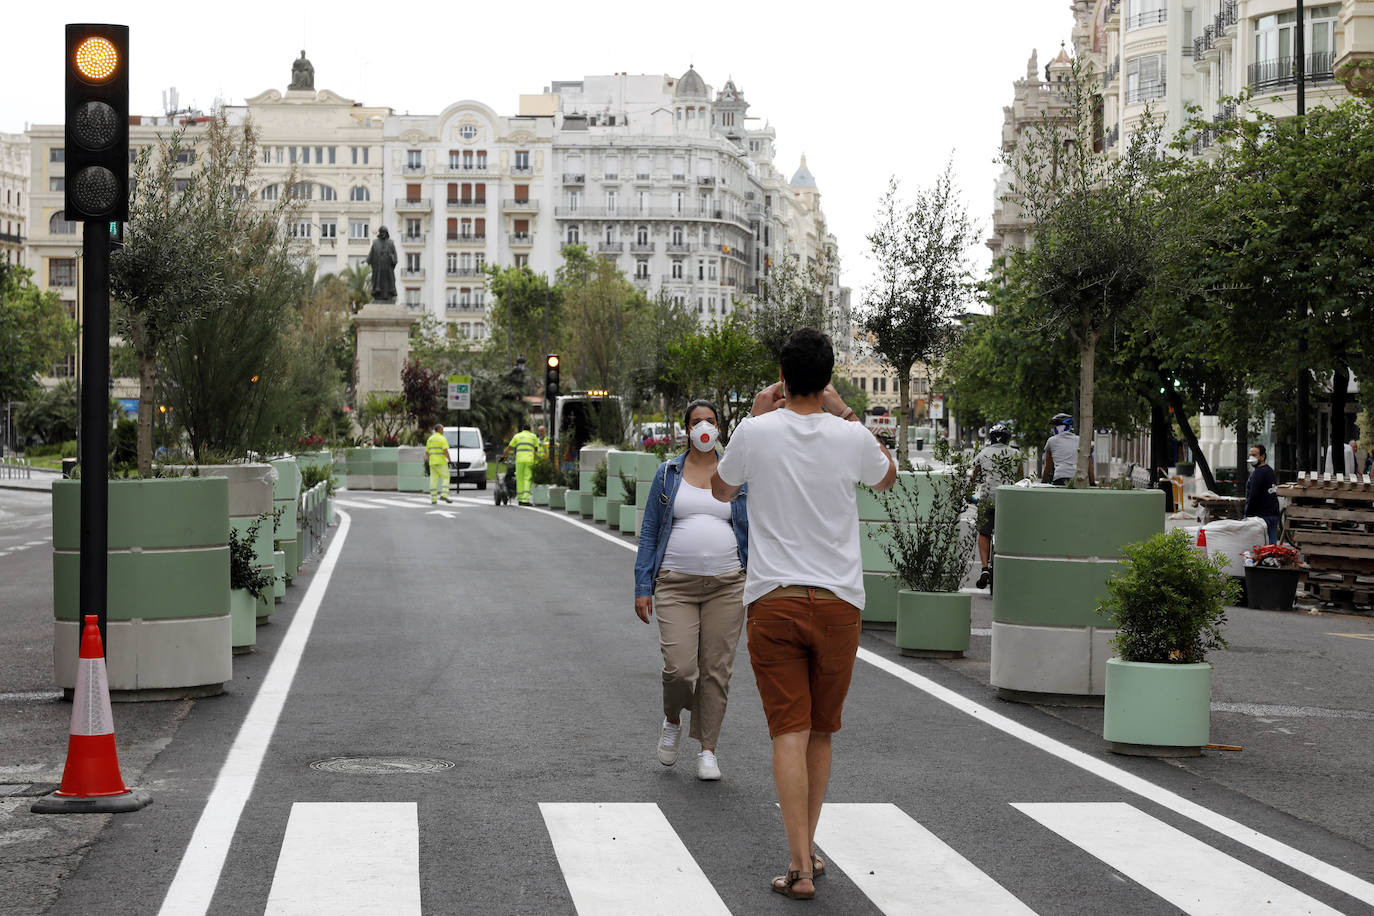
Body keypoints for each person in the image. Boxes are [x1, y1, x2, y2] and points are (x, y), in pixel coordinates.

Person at [711, 327, 896, 901]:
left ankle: (797, 865)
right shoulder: (849, 437)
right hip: (839, 602)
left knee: (787, 733)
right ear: (829, 377)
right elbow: (887, 476)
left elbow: (720, 489)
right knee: (820, 732)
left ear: (784, 378)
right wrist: (847, 412)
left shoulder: (756, 431)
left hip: (775, 600)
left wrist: (753, 412)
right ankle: (807, 853)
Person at [633, 399, 749, 782]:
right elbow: (650, 530)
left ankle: (707, 750)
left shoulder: (738, 475)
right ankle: (672, 720)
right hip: (676, 585)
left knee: (716, 670)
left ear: (720, 428)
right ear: (687, 430)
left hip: (727, 584)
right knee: (680, 669)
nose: (704, 428)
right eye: (697, 422)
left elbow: (757, 527)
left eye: (710, 421)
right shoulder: (668, 474)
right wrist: (642, 585)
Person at [972, 423, 1019, 589]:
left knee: (984, 533)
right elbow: (1021, 480)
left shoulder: (983, 453)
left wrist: (968, 495)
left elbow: (974, 478)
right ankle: (1008, 565)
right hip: (1008, 500)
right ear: (1008, 438)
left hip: (987, 500)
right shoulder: (1016, 454)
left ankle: (985, 568)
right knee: (1008, 533)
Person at [1041, 412, 1094, 486]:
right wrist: (1093, 483)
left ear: (1059, 427)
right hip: (1078, 478)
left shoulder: (1051, 440)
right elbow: (1089, 466)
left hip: (1060, 478)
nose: (1053, 429)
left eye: (1054, 427)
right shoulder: (1080, 440)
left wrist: (1043, 483)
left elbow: (1048, 467)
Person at [1245, 443, 1280, 545]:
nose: (1251, 457)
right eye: (1250, 454)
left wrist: (1248, 514)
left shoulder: (1258, 473)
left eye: (1254, 455)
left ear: (1262, 456)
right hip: (1273, 514)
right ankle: (1272, 560)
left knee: (1258, 546)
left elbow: (1253, 495)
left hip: (1261, 516)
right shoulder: (1270, 471)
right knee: (1272, 545)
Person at [502, 422, 541, 506]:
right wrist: (536, 460)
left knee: (519, 479)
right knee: (528, 478)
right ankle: (525, 499)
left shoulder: (517, 436)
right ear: (530, 430)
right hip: (529, 460)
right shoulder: (533, 436)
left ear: (523, 429)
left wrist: (503, 456)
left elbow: (509, 447)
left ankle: (520, 499)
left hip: (519, 460)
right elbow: (536, 450)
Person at [425, 423, 452, 505]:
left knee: (433, 480)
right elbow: (445, 451)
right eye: (442, 429)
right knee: (446, 477)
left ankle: (433, 499)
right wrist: (450, 460)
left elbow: (427, 452)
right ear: (439, 430)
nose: (443, 431)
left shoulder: (430, 439)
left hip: (432, 463)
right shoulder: (442, 439)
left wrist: (429, 461)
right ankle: (444, 494)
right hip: (441, 462)